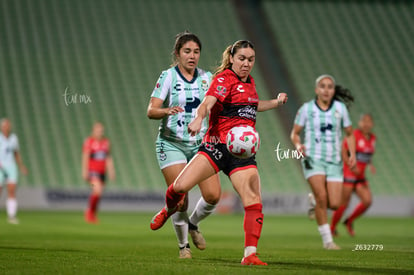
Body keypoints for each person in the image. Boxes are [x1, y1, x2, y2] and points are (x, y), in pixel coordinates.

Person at [150, 39, 288, 265]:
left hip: (240, 154)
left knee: (253, 200)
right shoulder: (224, 79)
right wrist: (198, 118)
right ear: (232, 58)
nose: (246, 63)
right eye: (242, 58)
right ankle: (168, 209)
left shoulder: (250, 82)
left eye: (250, 60)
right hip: (216, 146)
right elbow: (207, 102)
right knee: (180, 188)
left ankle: (250, 254)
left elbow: (252, 105)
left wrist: (276, 102)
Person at [147, 31, 221, 259]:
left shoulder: (207, 77)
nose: (192, 56)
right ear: (177, 54)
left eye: (196, 52)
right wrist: (166, 111)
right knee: (180, 197)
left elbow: (216, 106)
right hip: (172, 144)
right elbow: (151, 110)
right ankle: (183, 247)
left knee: (213, 196)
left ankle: (193, 224)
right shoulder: (168, 76)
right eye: (187, 51)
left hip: (201, 146)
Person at [290, 75, 356, 250]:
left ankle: (314, 201)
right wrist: (298, 145)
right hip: (313, 158)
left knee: (334, 204)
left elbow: (349, 133)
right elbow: (295, 133)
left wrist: (352, 154)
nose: (326, 90)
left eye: (330, 87)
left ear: (333, 91)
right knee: (322, 197)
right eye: (323, 86)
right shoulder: (307, 109)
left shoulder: (340, 109)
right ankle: (328, 241)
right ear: (316, 90)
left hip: (334, 161)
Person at [330, 113, 376, 236]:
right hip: (349, 173)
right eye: (364, 121)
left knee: (367, 201)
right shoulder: (354, 135)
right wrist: (351, 165)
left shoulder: (372, 138)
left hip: (360, 177)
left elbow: (367, 154)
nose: (366, 124)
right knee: (344, 203)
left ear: (372, 124)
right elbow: (343, 150)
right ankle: (332, 228)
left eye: (369, 121)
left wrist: (370, 164)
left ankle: (349, 221)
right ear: (360, 123)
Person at [82, 122, 115, 224]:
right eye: (98, 130)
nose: (100, 132)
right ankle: (89, 213)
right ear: (93, 131)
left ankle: (91, 212)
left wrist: (111, 171)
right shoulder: (89, 142)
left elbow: (108, 157)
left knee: (98, 193)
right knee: (97, 190)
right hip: (92, 172)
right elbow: (85, 156)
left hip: (102, 173)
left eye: (101, 130)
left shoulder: (106, 142)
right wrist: (84, 171)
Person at [0, 118, 28, 224]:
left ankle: (11, 216)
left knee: (11, 190)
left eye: (9, 125)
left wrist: (21, 166)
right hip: (0, 166)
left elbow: (16, 153)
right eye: (6, 125)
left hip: (11, 166)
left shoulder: (13, 138)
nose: (8, 127)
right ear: (2, 127)